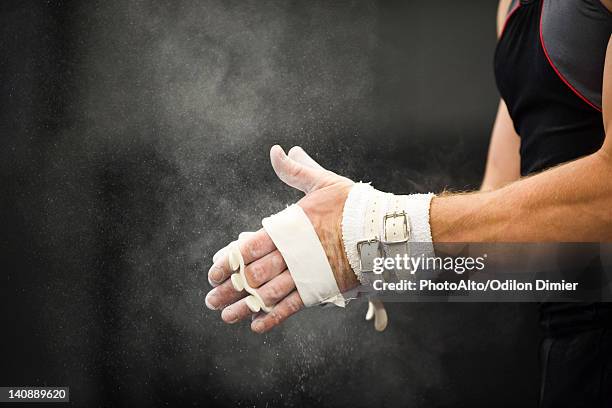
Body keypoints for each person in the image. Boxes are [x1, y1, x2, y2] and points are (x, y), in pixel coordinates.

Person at [206, 0, 612, 405]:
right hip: (570, 352)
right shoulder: (510, 9)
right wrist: (366, 254)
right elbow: (503, 240)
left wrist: (379, 224)